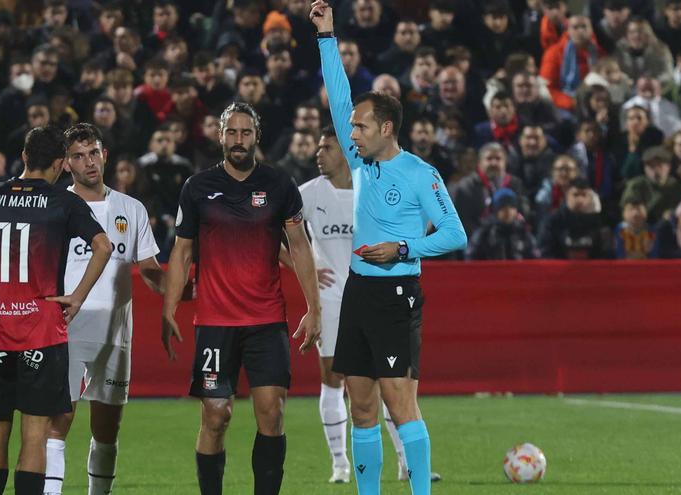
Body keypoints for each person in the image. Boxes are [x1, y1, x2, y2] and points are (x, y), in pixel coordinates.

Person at [313, 3, 468, 495]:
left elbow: (455, 233)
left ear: (385, 128)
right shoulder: (360, 165)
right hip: (359, 293)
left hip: (398, 294)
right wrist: (326, 37)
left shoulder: (422, 174)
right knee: (361, 404)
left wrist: (403, 247)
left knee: (401, 405)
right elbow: (339, 96)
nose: (350, 134)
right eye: (351, 127)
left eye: (359, 127)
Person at [0, 125, 113, 495]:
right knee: (35, 433)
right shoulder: (63, 202)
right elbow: (103, 246)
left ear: (24, 157)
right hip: (42, 331)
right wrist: (76, 297)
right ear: (61, 164)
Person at [161, 101, 323, 495]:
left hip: (267, 321)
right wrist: (168, 310)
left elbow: (299, 247)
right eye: (231, 132)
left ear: (257, 136)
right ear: (219, 136)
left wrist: (314, 309)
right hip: (215, 323)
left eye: (245, 132)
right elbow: (182, 252)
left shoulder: (279, 184)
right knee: (216, 416)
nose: (238, 140)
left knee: (273, 413)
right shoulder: (196, 187)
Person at [287, 126, 442, 484]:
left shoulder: (371, 189)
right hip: (331, 298)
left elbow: (417, 218)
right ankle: (340, 463)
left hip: (376, 295)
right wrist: (308, 265)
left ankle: (406, 463)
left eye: (326, 147)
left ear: (344, 152)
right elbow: (282, 238)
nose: (318, 154)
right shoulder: (308, 194)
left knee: (392, 383)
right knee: (334, 379)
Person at [43, 124, 165, 495]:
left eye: (93, 152)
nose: (89, 162)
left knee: (107, 428)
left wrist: (183, 292)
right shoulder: (56, 207)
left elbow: (149, 271)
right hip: (67, 326)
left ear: (105, 155)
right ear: (66, 165)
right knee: (59, 419)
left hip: (116, 333)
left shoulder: (131, 209)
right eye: (78, 156)